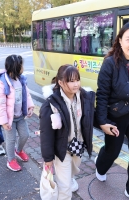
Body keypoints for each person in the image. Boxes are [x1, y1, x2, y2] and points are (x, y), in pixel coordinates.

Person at [94, 22, 129, 200]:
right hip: (116, 115)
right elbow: (102, 95)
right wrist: (103, 122)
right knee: (113, 151)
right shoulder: (110, 63)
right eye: (128, 39)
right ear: (120, 41)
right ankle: (100, 165)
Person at [39, 65, 95, 199]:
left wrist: (106, 124)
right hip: (61, 151)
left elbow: (92, 117)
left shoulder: (84, 97)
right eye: (71, 81)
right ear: (60, 82)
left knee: (72, 172)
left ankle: (67, 179)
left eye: (77, 80)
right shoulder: (51, 104)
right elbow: (46, 133)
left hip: (78, 147)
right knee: (65, 189)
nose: (76, 84)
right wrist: (48, 158)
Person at [0, 55, 34, 171]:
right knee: (11, 139)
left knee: (25, 135)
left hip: (20, 116)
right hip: (9, 118)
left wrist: (30, 107)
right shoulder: (2, 83)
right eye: (21, 65)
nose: (23, 67)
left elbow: (27, 94)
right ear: (16, 67)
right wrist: (4, 122)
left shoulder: (21, 79)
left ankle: (18, 151)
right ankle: (10, 160)